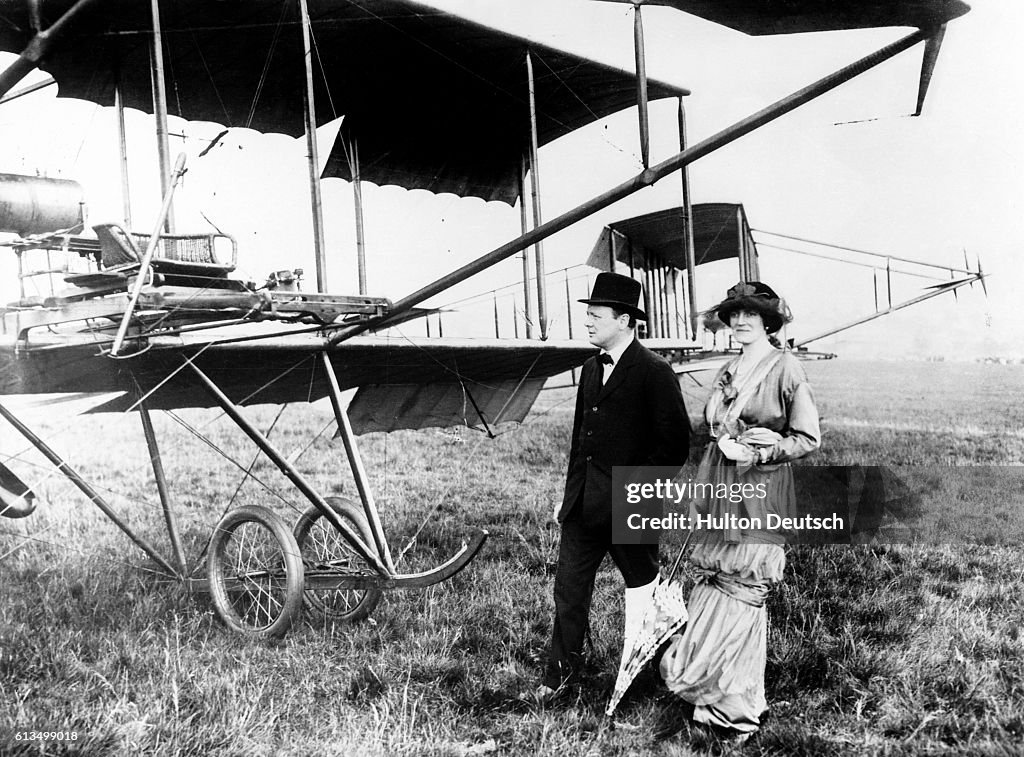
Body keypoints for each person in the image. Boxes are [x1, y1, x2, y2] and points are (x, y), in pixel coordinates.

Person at [659, 281, 820, 738]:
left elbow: (808, 437)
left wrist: (763, 452)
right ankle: (713, 698)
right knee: (714, 577)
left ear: (769, 321)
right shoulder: (730, 368)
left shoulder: (786, 367)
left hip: (760, 487)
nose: (739, 322)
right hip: (720, 482)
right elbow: (712, 425)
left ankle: (736, 708)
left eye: (749, 314)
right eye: (733, 314)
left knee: (743, 585)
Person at [538, 271, 690, 701]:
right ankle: (558, 678)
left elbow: (674, 447)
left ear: (624, 321)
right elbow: (579, 443)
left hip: (632, 508)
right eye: (587, 314)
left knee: (643, 596)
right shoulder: (589, 369)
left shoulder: (655, 372)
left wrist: (632, 494)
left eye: (595, 316)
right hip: (583, 507)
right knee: (568, 593)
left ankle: (645, 679)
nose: (587, 322)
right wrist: (568, 497)